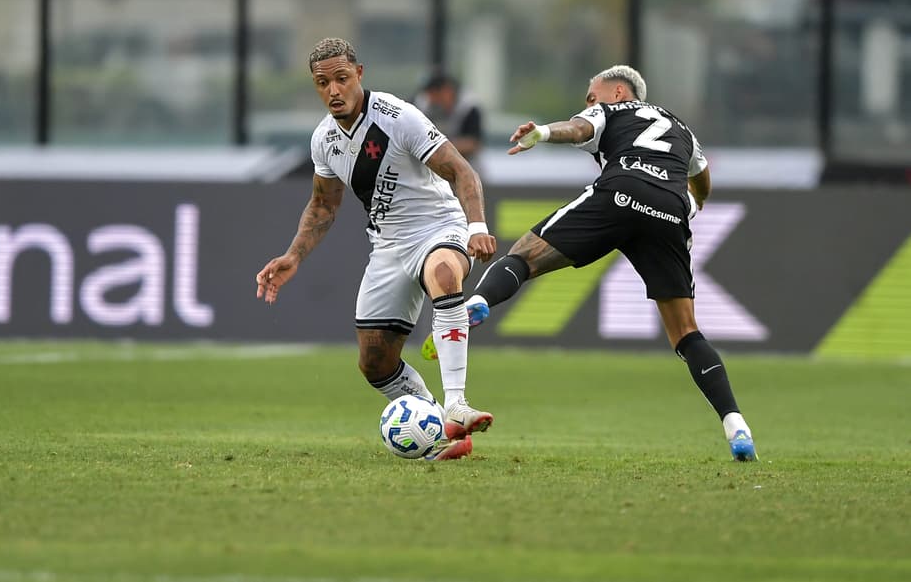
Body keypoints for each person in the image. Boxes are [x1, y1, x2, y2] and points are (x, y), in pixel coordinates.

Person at [422, 64, 759, 462]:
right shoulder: (682, 129)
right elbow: (700, 176)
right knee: (686, 333)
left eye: (592, 93)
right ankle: (737, 426)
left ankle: (478, 303)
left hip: (620, 192)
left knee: (524, 256)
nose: (588, 101)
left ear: (619, 91)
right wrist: (696, 203)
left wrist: (542, 133)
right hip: (670, 212)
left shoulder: (614, 111)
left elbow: (578, 129)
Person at [255, 38, 498, 460]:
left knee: (443, 273)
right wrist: (294, 255)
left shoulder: (398, 117)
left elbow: (462, 171)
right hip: (387, 245)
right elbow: (324, 204)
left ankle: (456, 403)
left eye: (342, 79)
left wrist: (477, 226)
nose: (333, 90)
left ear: (360, 75)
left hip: (438, 225)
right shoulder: (324, 141)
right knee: (374, 362)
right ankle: (439, 431)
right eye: (322, 83)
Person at [414, 69, 484, 165]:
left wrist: (438, 146)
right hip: (431, 169)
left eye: (436, 93)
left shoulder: (469, 106)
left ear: (447, 90)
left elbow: (473, 143)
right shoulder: (421, 104)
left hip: (467, 165)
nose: (432, 99)